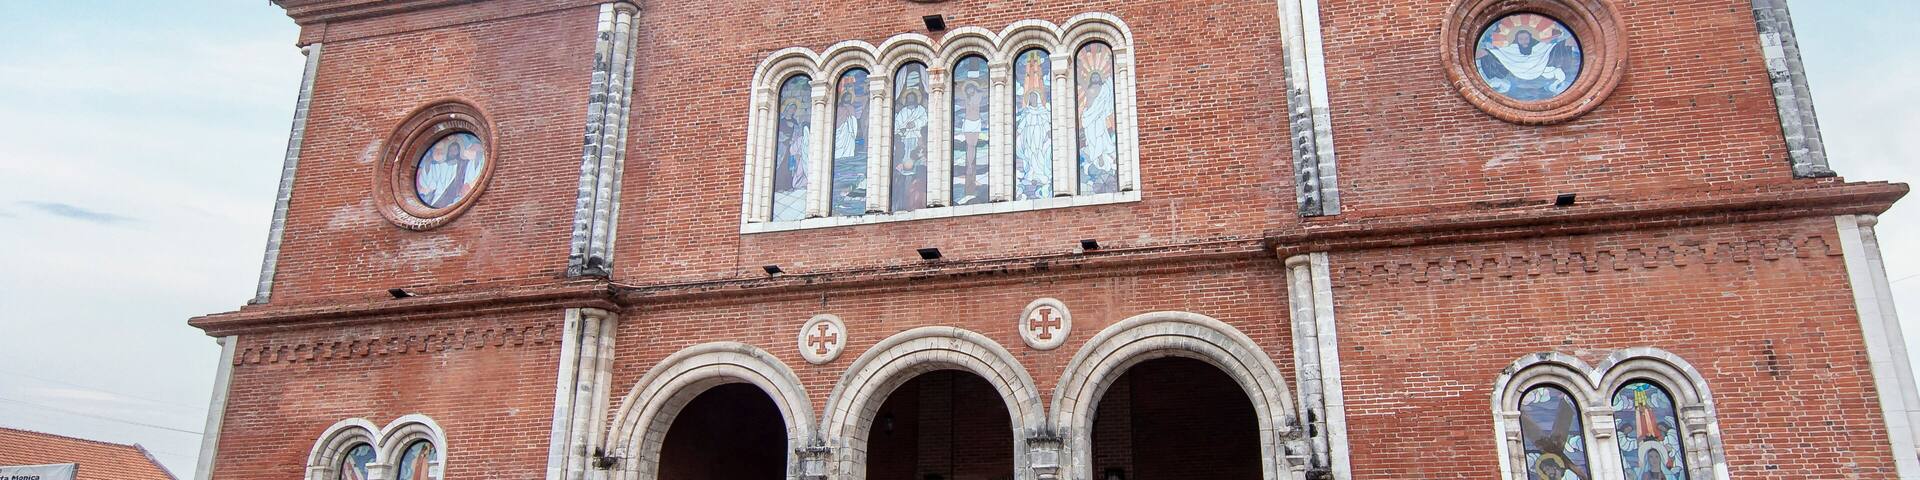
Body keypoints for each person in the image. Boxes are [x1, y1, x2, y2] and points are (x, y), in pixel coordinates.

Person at [892, 71, 929, 211]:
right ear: (906, 99)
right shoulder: (903, 112)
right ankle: (906, 171)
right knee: (906, 156)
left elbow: (924, 120)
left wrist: (915, 124)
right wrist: (902, 128)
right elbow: (897, 124)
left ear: (916, 99)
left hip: (917, 137)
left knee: (917, 158)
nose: (911, 100)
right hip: (906, 138)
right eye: (909, 98)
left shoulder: (921, 109)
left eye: (913, 98)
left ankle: (915, 172)